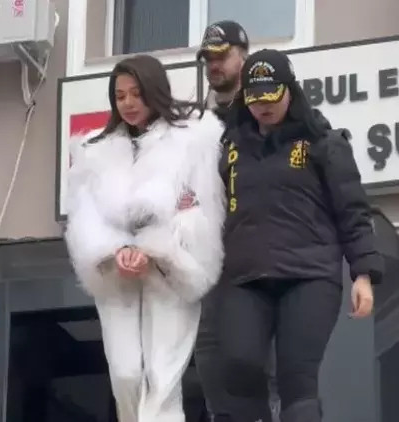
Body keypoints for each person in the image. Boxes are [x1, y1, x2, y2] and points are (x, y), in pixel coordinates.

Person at [217, 49, 382, 422]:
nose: (263, 107)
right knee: (239, 364)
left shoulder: (324, 142)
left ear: (290, 90)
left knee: (297, 378)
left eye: (271, 96)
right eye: (255, 98)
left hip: (309, 275)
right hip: (245, 275)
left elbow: (353, 211)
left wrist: (363, 274)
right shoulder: (230, 147)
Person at [64, 54, 226, 422]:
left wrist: (155, 249)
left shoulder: (195, 138)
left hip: (171, 271)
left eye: (136, 93)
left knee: (162, 376)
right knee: (125, 374)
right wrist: (116, 250)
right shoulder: (93, 150)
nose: (128, 103)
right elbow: (84, 217)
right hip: (116, 274)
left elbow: (202, 211)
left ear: (154, 90)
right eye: (120, 95)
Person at [195, 20, 280, 422]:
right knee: (212, 355)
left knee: (271, 362)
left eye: (222, 55)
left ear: (243, 57)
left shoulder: (270, 112)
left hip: (266, 254)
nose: (214, 64)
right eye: (208, 58)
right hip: (215, 257)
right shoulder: (196, 124)